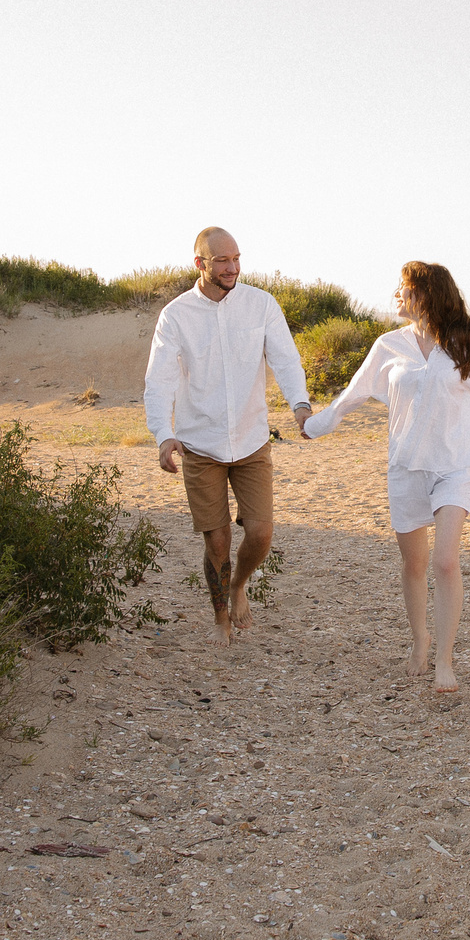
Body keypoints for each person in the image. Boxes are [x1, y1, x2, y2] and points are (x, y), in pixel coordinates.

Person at [302, 261, 470, 693]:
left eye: (405, 289)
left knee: (445, 561)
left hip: (455, 464)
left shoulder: (460, 346)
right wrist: (318, 424)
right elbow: (355, 392)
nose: (397, 295)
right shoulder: (388, 346)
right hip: (406, 467)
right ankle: (421, 640)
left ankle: (445, 660)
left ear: (427, 297)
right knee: (414, 563)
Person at [144, 227, 313, 644]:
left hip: (252, 439)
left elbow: (286, 360)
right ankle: (221, 615)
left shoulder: (261, 305)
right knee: (216, 540)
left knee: (260, 533)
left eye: (236, 258)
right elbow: (159, 381)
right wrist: (164, 435)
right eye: (222, 261)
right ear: (200, 263)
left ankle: (238, 585)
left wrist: (301, 406)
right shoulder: (176, 315)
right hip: (199, 445)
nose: (232, 267)